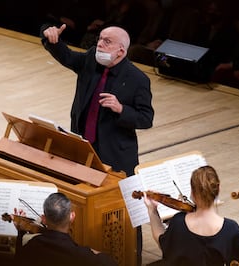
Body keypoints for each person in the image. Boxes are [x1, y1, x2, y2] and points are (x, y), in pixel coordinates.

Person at [41, 24, 154, 266]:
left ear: (121, 51)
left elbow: (146, 118)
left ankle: (134, 257)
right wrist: (52, 41)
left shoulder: (137, 79)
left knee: (129, 210)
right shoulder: (92, 60)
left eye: (106, 42)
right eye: (100, 39)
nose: (99, 45)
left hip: (117, 155)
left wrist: (121, 109)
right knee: (85, 200)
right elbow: (68, 57)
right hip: (85, 147)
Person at [143, 165, 239, 265]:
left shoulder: (178, 221)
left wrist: (152, 210)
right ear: (218, 189)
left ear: (192, 193)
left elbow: (161, 241)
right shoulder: (230, 229)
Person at [13, 192, 118, 266]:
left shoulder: (32, 246)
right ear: (72, 217)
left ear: (44, 219)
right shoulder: (81, 255)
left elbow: (19, 261)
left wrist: (21, 232)